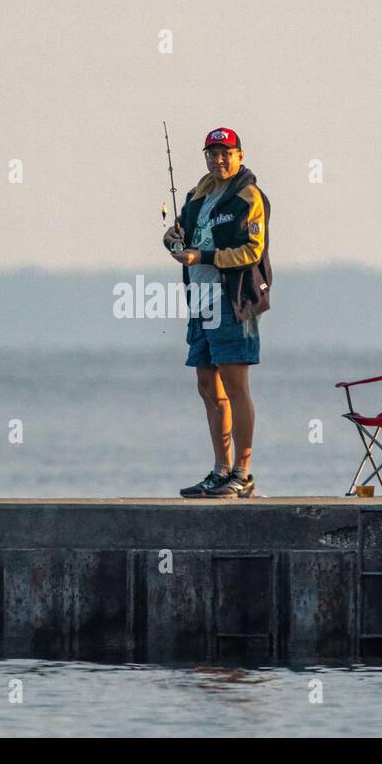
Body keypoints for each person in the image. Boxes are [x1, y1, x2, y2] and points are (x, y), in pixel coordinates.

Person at [162, 127, 272, 499]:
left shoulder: (248, 196)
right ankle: (220, 470)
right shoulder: (198, 194)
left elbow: (252, 251)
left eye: (226, 153)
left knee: (236, 387)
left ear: (240, 155)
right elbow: (183, 231)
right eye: (212, 153)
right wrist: (173, 237)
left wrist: (203, 256)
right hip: (200, 300)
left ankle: (243, 472)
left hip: (232, 299)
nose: (218, 160)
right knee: (208, 387)